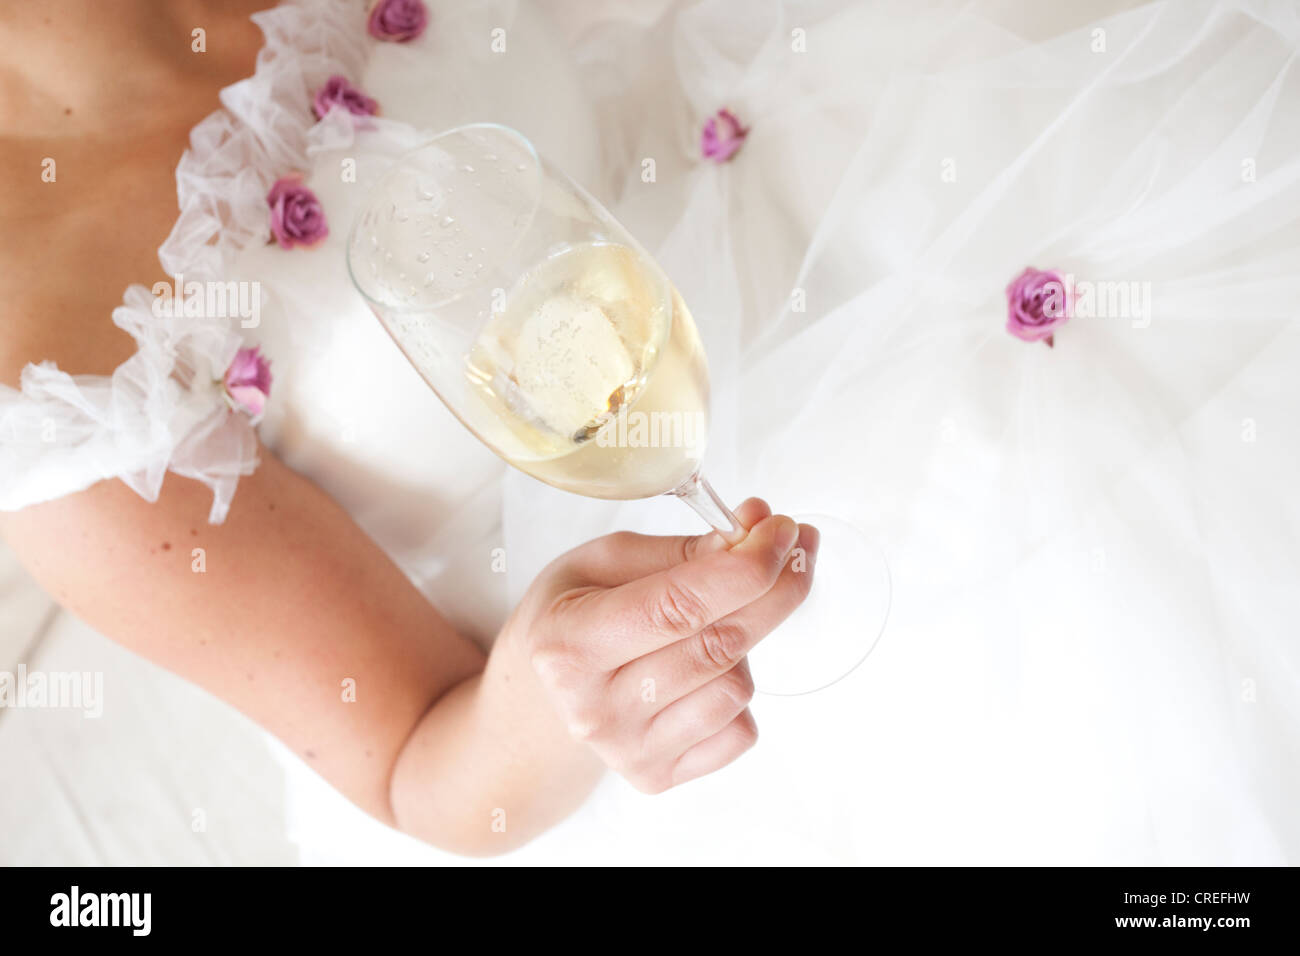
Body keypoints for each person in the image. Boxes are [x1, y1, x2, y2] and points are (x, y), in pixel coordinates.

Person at [0, 0, 816, 856]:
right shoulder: (53, 402)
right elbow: (416, 765)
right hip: (673, 636)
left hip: (797, 165)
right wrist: (559, 683)